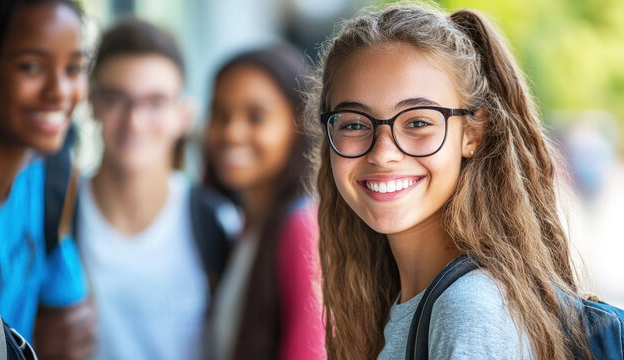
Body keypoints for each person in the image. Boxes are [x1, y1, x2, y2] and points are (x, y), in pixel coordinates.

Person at [305, 3, 595, 360]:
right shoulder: (408, 300)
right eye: (353, 123)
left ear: (472, 132)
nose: (382, 153)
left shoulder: (469, 310)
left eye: (417, 122)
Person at [74, 17, 235, 360]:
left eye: (156, 102)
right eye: (117, 99)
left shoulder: (217, 223)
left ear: (184, 114)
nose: (135, 121)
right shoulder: (56, 211)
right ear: (92, 103)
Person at [0, 0, 93, 358]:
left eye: (74, 68)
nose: (59, 91)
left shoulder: (53, 180)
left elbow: (72, 326)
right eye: (31, 66)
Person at [205, 44, 325, 360]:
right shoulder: (241, 226)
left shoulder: (303, 226)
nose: (231, 132)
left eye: (255, 117)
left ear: (298, 123)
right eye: (220, 114)